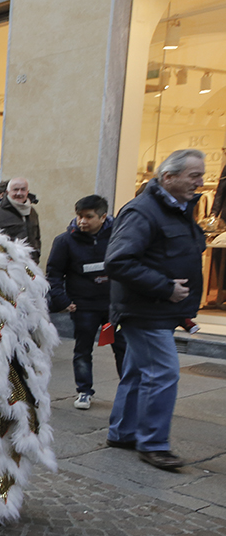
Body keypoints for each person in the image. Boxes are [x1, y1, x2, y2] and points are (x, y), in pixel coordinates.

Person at [105, 148, 206, 471]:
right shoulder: (143, 211)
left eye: (201, 175)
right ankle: (154, 443)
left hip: (158, 310)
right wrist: (166, 287)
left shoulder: (177, 209)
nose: (200, 182)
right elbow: (118, 261)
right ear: (168, 177)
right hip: (146, 310)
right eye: (194, 176)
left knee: (138, 371)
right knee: (162, 373)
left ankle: (122, 433)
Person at [46, 194, 127, 410]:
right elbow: (54, 274)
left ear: (102, 217)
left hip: (113, 306)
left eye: (88, 217)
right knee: (83, 350)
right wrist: (63, 300)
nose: (82, 221)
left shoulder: (119, 237)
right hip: (83, 307)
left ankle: (128, 390)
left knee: (122, 348)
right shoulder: (64, 241)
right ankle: (84, 391)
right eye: (80, 216)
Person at [0, 177, 41, 260]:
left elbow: (36, 238)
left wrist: (36, 254)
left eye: (23, 189)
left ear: (27, 192)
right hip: (6, 267)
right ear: (7, 192)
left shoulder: (32, 212)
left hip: (30, 266)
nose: (19, 193)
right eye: (15, 189)